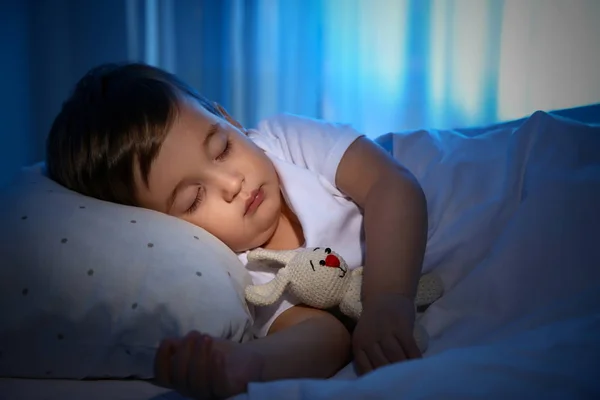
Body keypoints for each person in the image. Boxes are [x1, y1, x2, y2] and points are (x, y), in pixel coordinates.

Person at [45, 62, 428, 399]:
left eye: (222, 148)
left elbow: (390, 185)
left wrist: (387, 301)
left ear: (229, 119)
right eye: (194, 199)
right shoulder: (235, 268)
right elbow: (326, 337)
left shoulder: (286, 140)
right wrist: (248, 363)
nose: (230, 183)